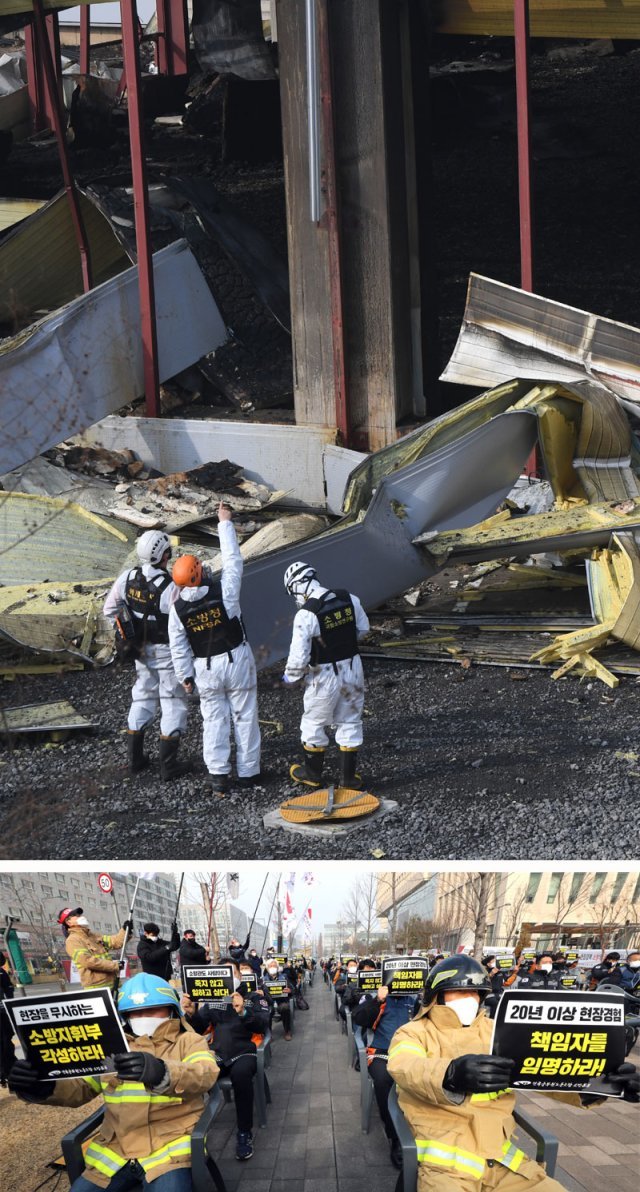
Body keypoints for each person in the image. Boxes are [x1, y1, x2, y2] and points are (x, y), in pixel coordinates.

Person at [387, 954, 640, 1192]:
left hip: (504, 1161)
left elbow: (542, 1069)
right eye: (459, 991)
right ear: (437, 996)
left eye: (475, 992)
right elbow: (404, 1065)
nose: (469, 998)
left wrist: (600, 1084)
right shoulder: (414, 1032)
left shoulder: (500, 1031)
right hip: (445, 1167)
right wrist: (449, 1074)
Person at [8, 973, 219, 1190]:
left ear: (172, 1010)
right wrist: (43, 1086)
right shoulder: (109, 1046)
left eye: (153, 1009)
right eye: (135, 1012)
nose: (144, 1016)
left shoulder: (189, 1041)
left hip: (170, 1149)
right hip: (115, 1151)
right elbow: (81, 1088)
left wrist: (162, 1071)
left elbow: (206, 1073)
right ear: (124, 1016)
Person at [169, 503, 261, 797]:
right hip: (236, 659)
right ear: (199, 572)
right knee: (245, 715)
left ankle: (219, 776)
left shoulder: (177, 610)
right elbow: (234, 561)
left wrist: (185, 676)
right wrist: (224, 523)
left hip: (204, 668)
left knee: (213, 721)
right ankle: (249, 773)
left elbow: (178, 645)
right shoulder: (225, 592)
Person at [103, 529, 190, 779]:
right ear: (164, 555)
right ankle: (169, 766)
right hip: (167, 652)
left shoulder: (126, 578)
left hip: (140, 651)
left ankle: (135, 760)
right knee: (173, 703)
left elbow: (110, 610)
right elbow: (183, 622)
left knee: (142, 696)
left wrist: (127, 632)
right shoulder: (172, 587)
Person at [282, 560, 370, 790]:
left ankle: (312, 774)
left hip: (324, 675)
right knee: (350, 720)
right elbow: (363, 629)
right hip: (353, 666)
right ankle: (348, 779)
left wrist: (290, 678)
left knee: (314, 722)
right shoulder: (349, 598)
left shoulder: (306, 614)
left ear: (298, 586)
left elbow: (298, 657)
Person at [181, 959, 271, 1161]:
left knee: (240, 1076)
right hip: (218, 1052)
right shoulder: (213, 1001)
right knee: (194, 1075)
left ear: (239, 975)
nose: (229, 976)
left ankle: (244, 1132)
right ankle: (189, 1132)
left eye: (233, 972)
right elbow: (199, 1028)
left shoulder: (253, 997)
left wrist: (243, 1011)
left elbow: (263, 1023)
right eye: (223, 972)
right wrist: (192, 1013)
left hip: (245, 1051)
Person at [352, 969, 422, 1169]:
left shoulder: (415, 998)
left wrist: (427, 1000)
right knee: (383, 1079)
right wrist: (378, 1000)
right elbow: (359, 1019)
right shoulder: (377, 996)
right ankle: (395, 1137)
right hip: (381, 1050)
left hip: (412, 1050)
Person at [58, 907, 132, 992]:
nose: (80, 917)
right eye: (75, 915)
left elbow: (115, 942)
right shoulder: (72, 940)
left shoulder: (93, 936)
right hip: (96, 988)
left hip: (113, 983)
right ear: (68, 922)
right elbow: (87, 961)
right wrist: (114, 966)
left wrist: (125, 931)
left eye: (79, 914)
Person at [263, 956, 294, 1041]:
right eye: (270, 966)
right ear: (267, 968)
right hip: (269, 1002)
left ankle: (287, 1031)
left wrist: (290, 990)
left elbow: (293, 989)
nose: (272, 967)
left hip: (282, 1001)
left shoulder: (284, 977)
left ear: (277, 967)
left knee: (285, 1008)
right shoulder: (263, 980)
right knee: (267, 1010)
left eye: (274, 966)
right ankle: (268, 1034)